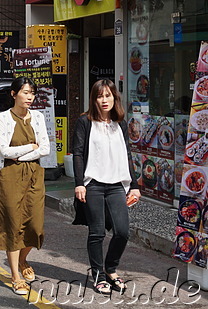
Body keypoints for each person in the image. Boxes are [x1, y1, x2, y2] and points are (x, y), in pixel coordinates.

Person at [72, 79, 139, 295]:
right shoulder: (85, 122)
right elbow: (78, 154)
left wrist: (135, 185)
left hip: (116, 184)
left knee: (122, 231)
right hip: (93, 184)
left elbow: (127, 155)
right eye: (100, 96)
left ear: (114, 98)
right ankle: (99, 275)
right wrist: (79, 183)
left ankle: (111, 269)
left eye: (108, 95)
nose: (104, 100)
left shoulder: (120, 123)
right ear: (93, 99)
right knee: (97, 232)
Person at [0, 76, 50, 296]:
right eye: (25, 92)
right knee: (13, 224)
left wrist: (23, 154)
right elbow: (5, 151)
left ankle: (23, 260)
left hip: (34, 173)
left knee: (35, 225)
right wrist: (30, 147)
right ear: (13, 94)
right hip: (10, 174)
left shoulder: (38, 117)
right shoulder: (2, 118)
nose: (30, 97)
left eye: (32, 93)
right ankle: (15, 275)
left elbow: (44, 149)